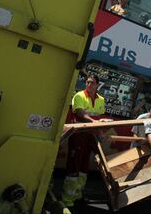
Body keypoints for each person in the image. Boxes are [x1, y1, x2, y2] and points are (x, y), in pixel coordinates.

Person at [62, 74, 105, 207]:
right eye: (87, 82)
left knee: (84, 166)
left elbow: (100, 117)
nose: (89, 85)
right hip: (78, 135)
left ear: (97, 85)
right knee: (74, 165)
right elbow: (80, 113)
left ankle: (78, 195)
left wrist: (100, 131)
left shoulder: (101, 99)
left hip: (90, 136)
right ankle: (67, 200)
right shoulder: (79, 96)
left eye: (92, 83)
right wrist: (95, 122)